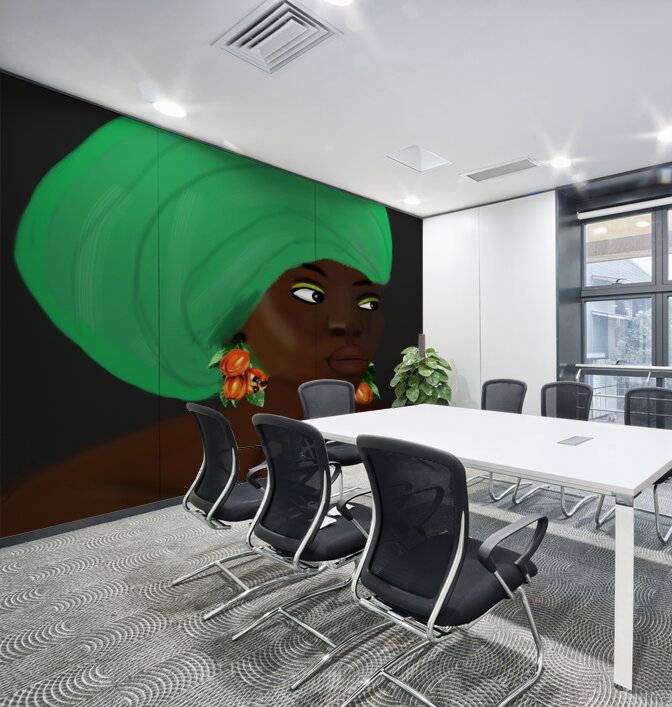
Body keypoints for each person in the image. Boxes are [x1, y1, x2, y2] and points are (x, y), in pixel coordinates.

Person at [4, 116, 393, 532]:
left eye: (367, 301)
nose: (347, 323)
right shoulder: (92, 487)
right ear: (226, 307)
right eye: (309, 295)